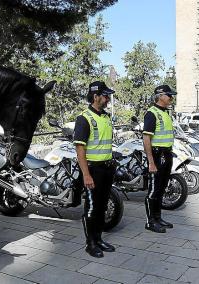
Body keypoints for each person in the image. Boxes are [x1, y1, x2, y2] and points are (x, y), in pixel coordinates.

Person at [74, 81, 116, 258]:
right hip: (92, 170)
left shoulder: (106, 117)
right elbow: (80, 150)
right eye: (105, 96)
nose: (108, 99)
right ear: (95, 96)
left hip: (106, 169)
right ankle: (90, 244)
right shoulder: (84, 118)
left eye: (108, 96)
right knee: (91, 208)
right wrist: (86, 175)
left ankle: (98, 239)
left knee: (102, 207)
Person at [142, 84, 176, 233]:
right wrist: (151, 162)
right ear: (161, 96)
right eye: (169, 95)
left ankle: (158, 217)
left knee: (161, 188)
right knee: (154, 190)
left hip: (166, 154)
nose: (171, 98)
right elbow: (146, 139)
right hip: (157, 155)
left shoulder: (166, 113)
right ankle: (150, 221)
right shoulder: (152, 113)